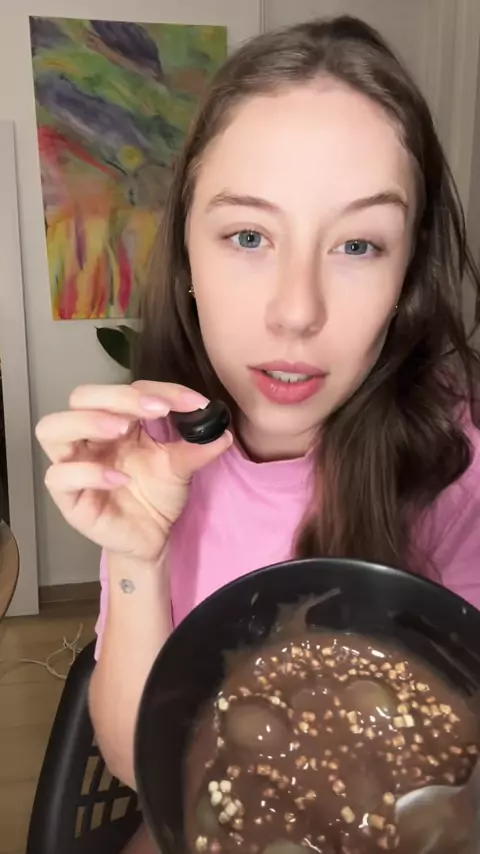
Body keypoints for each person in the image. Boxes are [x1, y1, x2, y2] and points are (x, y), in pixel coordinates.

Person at [36, 14, 480, 853]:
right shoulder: (152, 452)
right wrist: (137, 556)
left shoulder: (455, 462)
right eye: (248, 236)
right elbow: (136, 763)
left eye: (358, 244)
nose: (296, 311)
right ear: (188, 257)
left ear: (406, 275)